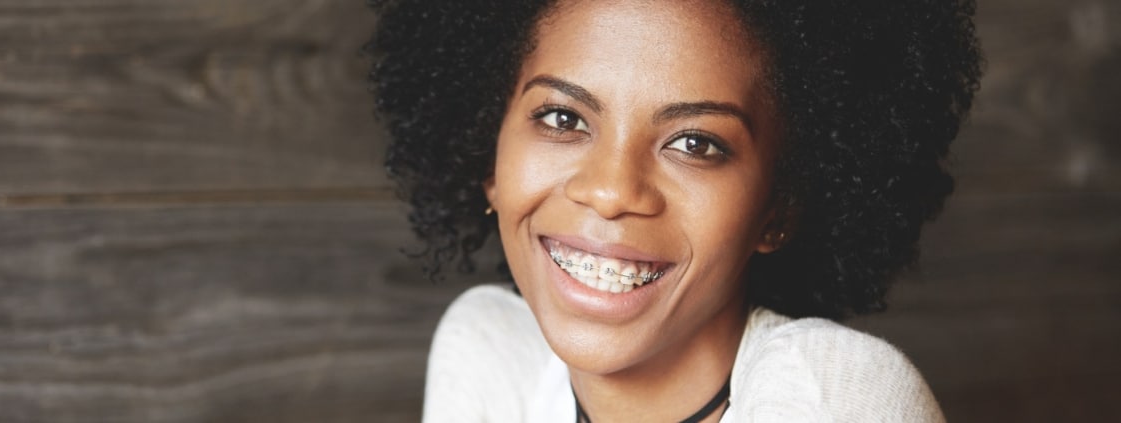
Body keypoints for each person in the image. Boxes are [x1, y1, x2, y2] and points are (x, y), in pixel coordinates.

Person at [368, 0, 982, 421]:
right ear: (487, 155)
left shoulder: (830, 395)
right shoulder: (493, 358)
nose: (611, 191)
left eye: (695, 143)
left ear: (778, 206)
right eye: (563, 118)